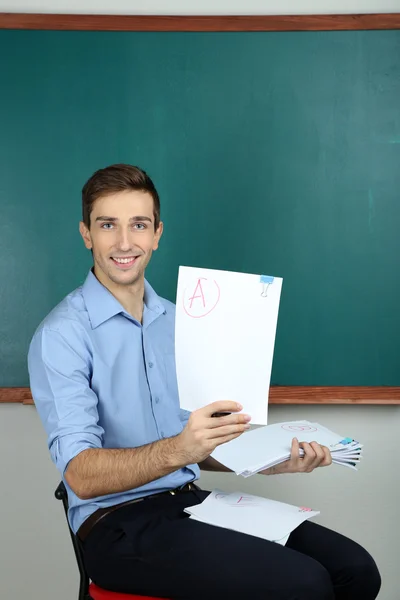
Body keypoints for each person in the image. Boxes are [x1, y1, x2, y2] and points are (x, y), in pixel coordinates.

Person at [28, 164, 381, 600]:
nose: (124, 242)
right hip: (115, 527)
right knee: (303, 585)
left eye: (138, 225)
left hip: (188, 502)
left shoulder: (180, 322)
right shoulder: (61, 335)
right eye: (107, 225)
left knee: (356, 570)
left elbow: (201, 444)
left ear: (157, 233)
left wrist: (270, 461)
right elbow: (80, 474)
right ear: (87, 234)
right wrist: (182, 449)